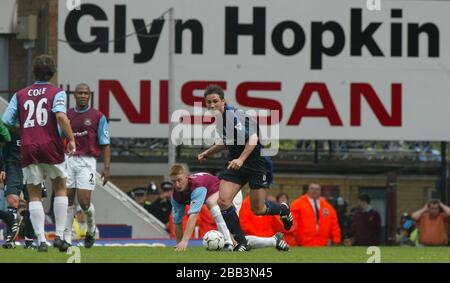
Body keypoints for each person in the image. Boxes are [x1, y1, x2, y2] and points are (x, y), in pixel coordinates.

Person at [198, 84, 293, 252]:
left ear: (223, 101)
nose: (211, 105)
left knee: (258, 209)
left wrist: (241, 159)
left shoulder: (234, 116)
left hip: (256, 164)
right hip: (236, 164)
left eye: (215, 101)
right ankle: (242, 242)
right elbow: (227, 140)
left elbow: (253, 139)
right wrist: (208, 152)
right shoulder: (220, 119)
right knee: (223, 201)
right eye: (208, 102)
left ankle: (283, 209)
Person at [2, 54, 76, 252]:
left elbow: (6, 120)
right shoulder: (57, 93)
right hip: (51, 144)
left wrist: (25, 127)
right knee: (60, 186)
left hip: (28, 147)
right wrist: (71, 139)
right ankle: (59, 236)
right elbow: (60, 115)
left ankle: (41, 241)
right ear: (53, 73)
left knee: (33, 193)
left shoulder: (20, 94)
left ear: (34, 72)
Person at [169, 164, 288, 252]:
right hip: (221, 200)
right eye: (173, 182)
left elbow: (193, 215)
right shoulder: (175, 196)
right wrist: (179, 244)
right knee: (238, 240)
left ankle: (227, 244)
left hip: (232, 195)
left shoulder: (197, 187)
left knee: (211, 202)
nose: (177, 185)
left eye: (179, 180)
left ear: (186, 177)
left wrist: (185, 241)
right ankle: (274, 241)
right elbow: (177, 222)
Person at [63, 83, 111, 250]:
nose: (83, 95)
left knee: (84, 202)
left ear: (89, 95)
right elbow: (58, 138)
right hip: (68, 159)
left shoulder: (98, 117)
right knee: (68, 199)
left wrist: (106, 167)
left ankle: (90, 230)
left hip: (87, 161)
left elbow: (105, 143)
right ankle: (67, 238)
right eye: (80, 93)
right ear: (74, 95)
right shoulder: (66, 115)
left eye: (86, 93)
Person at [1, 129, 47, 249]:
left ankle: (29, 241)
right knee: (12, 200)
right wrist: (2, 167)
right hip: (13, 165)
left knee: (33, 204)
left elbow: (43, 147)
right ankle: (10, 239)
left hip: (32, 165)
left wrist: (45, 167)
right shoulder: (9, 126)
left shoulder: (36, 126)